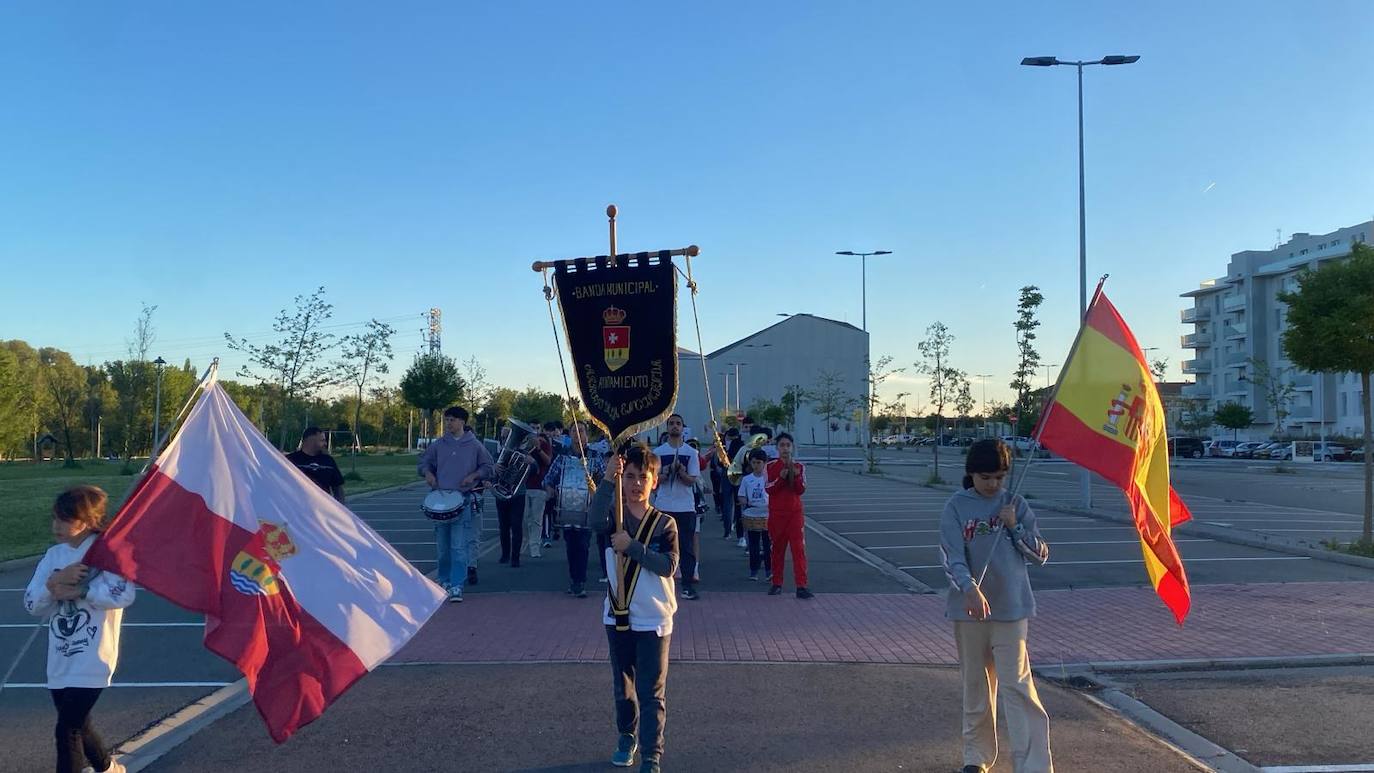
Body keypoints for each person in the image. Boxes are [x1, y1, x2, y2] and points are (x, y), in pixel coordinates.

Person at [939, 438, 1052, 773]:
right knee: (976, 685)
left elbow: (1041, 555)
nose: (992, 484)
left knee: (1017, 686)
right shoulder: (956, 506)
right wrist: (969, 588)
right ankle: (976, 757)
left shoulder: (1015, 504)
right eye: (985, 477)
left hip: (1011, 610)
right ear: (972, 473)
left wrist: (1015, 526)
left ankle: (1032, 764)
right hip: (968, 611)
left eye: (999, 477)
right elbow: (951, 557)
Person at [24, 485, 134, 773]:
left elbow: (123, 594)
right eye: (55, 518)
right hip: (60, 658)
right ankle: (109, 768)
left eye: (66, 519)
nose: (56, 526)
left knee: (67, 729)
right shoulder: (54, 556)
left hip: (93, 658)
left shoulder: (108, 552)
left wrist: (83, 591)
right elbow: (32, 603)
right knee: (79, 725)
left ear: (88, 520)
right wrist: (54, 583)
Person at [591, 444, 680, 773]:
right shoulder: (613, 517)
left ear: (654, 481)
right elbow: (592, 520)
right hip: (617, 615)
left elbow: (668, 565)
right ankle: (626, 736)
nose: (636, 483)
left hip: (654, 619)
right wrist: (606, 478)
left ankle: (651, 754)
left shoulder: (665, 523)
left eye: (643, 477)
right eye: (629, 476)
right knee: (623, 686)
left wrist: (632, 547)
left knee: (651, 690)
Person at [417, 406, 494, 602]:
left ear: (462, 422)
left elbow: (488, 466)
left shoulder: (474, 445)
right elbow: (423, 463)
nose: (448, 423)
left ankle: (457, 584)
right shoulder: (439, 444)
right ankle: (444, 581)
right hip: (440, 500)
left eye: (452, 420)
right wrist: (428, 473)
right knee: (443, 548)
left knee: (458, 546)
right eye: (447, 420)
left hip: (462, 501)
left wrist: (474, 475)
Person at [543, 421, 606, 597]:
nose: (578, 434)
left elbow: (605, 480)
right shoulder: (562, 456)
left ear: (587, 435)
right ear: (569, 435)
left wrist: (598, 493)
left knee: (583, 545)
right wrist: (550, 490)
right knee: (571, 546)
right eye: (574, 431)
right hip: (567, 510)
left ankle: (580, 582)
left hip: (587, 509)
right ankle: (574, 580)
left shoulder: (594, 456)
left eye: (582, 431)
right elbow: (548, 479)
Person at [652, 414, 701, 600]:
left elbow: (692, 480)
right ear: (667, 427)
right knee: (663, 546)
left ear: (682, 428)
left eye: (678, 424)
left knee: (686, 547)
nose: (675, 426)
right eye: (671, 423)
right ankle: (662, 585)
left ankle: (687, 585)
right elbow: (654, 481)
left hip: (685, 507)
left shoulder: (691, 453)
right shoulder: (658, 452)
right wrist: (665, 472)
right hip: (664, 505)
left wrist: (681, 471)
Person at [765, 432, 813, 599]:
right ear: (777, 448)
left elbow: (801, 490)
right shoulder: (770, 466)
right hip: (777, 514)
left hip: (794, 514)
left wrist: (796, 476)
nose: (785, 449)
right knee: (777, 550)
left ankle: (801, 585)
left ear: (792, 448)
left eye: (788, 445)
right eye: (782, 445)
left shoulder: (799, 467)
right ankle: (776, 583)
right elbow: (768, 488)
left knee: (798, 550)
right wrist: (780, 478)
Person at [493, 421, 536, 569]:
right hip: (500, 493)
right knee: (503, 526)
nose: (507, 440)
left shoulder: (524, 454)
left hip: (518, 494)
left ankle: (515, 557)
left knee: (516, 525)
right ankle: (505, 554)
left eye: (509, 437)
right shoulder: (497, 454)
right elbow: (489, 471)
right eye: (505, 438)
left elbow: (535, 470)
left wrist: (532, 462)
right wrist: (494, 467)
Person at [736, 449, 772, 581]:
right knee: (753, 544)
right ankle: (754, 570)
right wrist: (745, 502)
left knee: (768, 545)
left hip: (767, 513)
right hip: (752, 512)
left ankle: (769, 570)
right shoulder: (747, 479)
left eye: (759, 463)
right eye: (754, 462)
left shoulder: (769, 478)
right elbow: (741, 496)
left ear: (764, 463)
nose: (756, 465)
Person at [285, 426, 345, 503]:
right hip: (297, 505)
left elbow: (338, 488)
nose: (325, 444)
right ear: (310, 441)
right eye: (322, 440)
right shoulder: (290, 460)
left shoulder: (328, 461)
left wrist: (340, 507)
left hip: (322, 506)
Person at [524, 421, 557, 559]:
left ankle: (534, 547)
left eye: (537, 428)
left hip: (539, 486)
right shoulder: (523, 443)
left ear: (540, 429)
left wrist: (538, 449)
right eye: (532, 427)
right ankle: (526, 543)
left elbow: (548, 461)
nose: (534, 430)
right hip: (524, 485)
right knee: (525, 518)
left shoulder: (544, 443)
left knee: (537, 519)